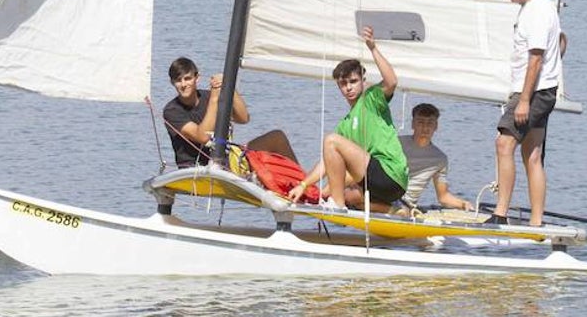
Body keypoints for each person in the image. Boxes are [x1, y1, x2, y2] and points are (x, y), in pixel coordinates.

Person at [288, 27, 408, 211]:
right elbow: (326, 164)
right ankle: (395, 211)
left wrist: (372, 48)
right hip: (376, 184)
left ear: (363, 80)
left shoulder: (372, 99)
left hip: (391, 176)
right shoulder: (345, 124)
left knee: (330, 140)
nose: (348, 88)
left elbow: (391, 81)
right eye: (343, 84)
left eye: (353, 82)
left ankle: (337, 204)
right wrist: (303, 185)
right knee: (341, 182)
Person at [488, 0, 562, 227]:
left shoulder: (537, 10)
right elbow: (562, 41)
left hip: (532, 93)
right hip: (543, 90)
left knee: (503, 144)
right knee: (531, 154)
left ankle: (500, 214)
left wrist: (525, 101)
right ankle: (536, 223)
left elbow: (536, 59)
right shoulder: (538, 7)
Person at [161, 57, 297, 167]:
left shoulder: (208, 95)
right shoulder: (171, 111)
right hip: (196, 168)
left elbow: (243, 118)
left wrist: (229, 85)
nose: (184, 85)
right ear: (172, 82)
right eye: (178, 81)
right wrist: (215, 99)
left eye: (187, 78)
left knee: (277, 137)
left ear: (197, 78)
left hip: (228, 160)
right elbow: (202, 137)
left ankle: (304, 186)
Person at [396, 103, 472, 213]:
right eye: (420, 122)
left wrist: (463, 204)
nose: (425, 128)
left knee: (403, 210)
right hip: (388, 196)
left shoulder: (440, 159)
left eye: (430, 123)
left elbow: (443, 197)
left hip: (406, 205)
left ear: (436, 126)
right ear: (413, 124)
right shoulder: (396, 144)